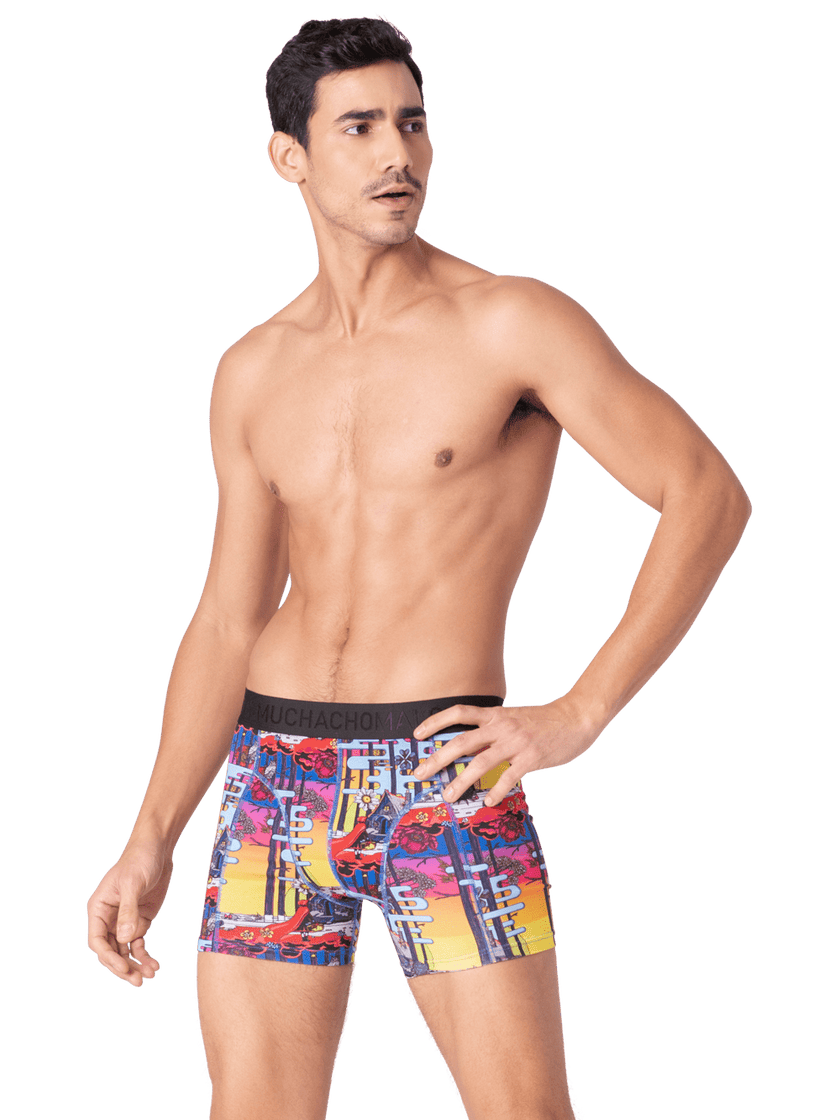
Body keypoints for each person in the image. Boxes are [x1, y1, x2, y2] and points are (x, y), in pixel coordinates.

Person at [85, 14, 752, 1120]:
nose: (397, 153)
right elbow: (227, 617)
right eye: (359, 128)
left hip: (442, 773)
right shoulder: (253, 368)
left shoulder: (510, 321)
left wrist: (581, 711)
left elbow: (706, 493)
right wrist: (151, 834)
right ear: (290, 156)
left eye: (412, 122)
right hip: (274, 778)